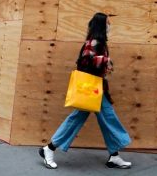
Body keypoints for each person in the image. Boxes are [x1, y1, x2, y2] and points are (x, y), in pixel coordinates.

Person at [39, 12, 132, 169]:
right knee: (104, 118)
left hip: (95, 89)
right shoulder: (94, 42)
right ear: (101, 25)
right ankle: (48, 148)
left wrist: (104, 66)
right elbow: (85, 59)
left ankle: (114, 155)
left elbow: (91, 62)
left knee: (101, 119)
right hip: (92, 89)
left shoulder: (100, 42)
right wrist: (105, 60)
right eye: (108, 23)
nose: (110, 26)